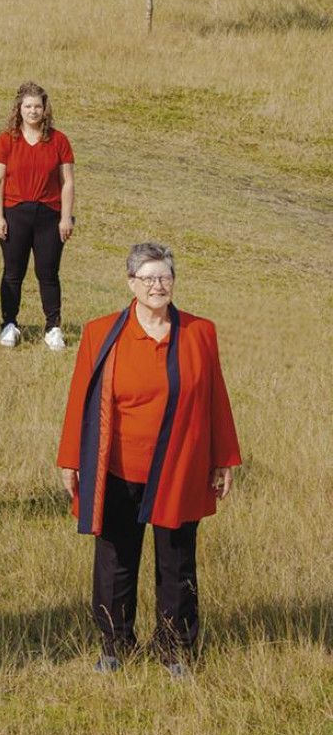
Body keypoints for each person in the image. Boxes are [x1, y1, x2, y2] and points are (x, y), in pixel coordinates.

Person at [56, 243, 239, 678]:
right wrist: (70, 458)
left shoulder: (199, 332)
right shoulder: (102, 332)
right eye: (148, 278)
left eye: (165, 277)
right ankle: (115, 645)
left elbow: (216, 397)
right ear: (131, 284)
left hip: (180, 467)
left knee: (177, 561)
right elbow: (80, 399)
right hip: (117, 467)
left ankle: (175, 649)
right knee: (115, 559)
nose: (158, 285)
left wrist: (223, 458)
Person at [0, 80, 75, 350]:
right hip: (15, 212)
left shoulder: (59, 140)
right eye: (28, 106)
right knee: (13, 272)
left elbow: (68, 182)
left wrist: (66, 217)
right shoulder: (6, 140)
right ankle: (9, 324)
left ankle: (53, 327)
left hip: (49, 214)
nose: (33, 111)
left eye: (38, 106)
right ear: (19, 108)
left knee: (48, 272)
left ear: (45, 109)